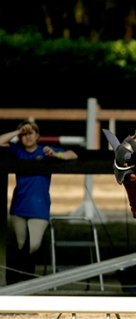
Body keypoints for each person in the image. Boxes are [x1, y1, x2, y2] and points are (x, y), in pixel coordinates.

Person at [0, 120, 78, 283]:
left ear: (38, 136)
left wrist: (57, 155)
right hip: (19, 206)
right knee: (21, 245)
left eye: (31, 133)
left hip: (39, 207)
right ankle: (20, 281)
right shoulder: (17, 151)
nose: (28, 137)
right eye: (25, 134)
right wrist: (18, 132)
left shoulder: (45, 150)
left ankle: (23, 279)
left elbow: (73, 154)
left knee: (33, 246)